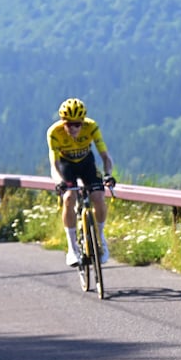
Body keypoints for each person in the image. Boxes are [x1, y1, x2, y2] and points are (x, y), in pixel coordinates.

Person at [46, 98, 115, 266]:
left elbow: (105, 156)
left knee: (98, 197)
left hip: (86, 164)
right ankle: (72, 248)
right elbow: (54, 164)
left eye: (78, 124)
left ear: (83, 122)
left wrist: (107, 175)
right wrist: (59, 182)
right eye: (69, 124)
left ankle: (101, 239)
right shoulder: (54, 132)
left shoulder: (91, 127)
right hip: (66, 165)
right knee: (69, 198)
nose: (74, 128)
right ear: (63, 122)